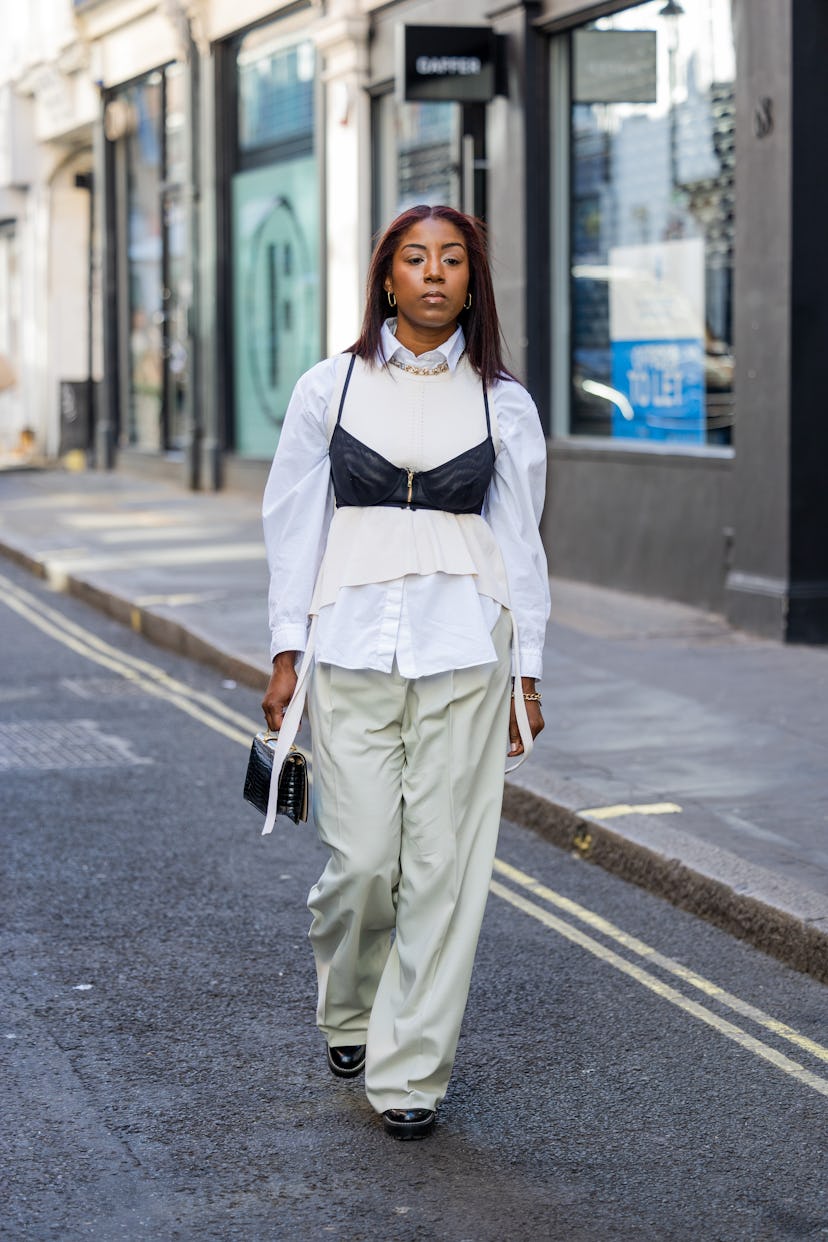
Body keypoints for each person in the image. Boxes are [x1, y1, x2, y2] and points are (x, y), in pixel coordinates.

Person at [260, 204, 550, 1140]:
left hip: (469, 651)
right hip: (348, 650)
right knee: (362, 863)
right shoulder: (329, 389)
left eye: (452, 259)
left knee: (442, 871)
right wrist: (283, 650)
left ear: (473, 280)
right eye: (416, 259)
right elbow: (291, 526)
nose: (434, 274)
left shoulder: (502, 402)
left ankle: (412, 1072)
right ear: (388, 276)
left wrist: (529, 673)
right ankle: (348, 1004)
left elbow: (522, 546)